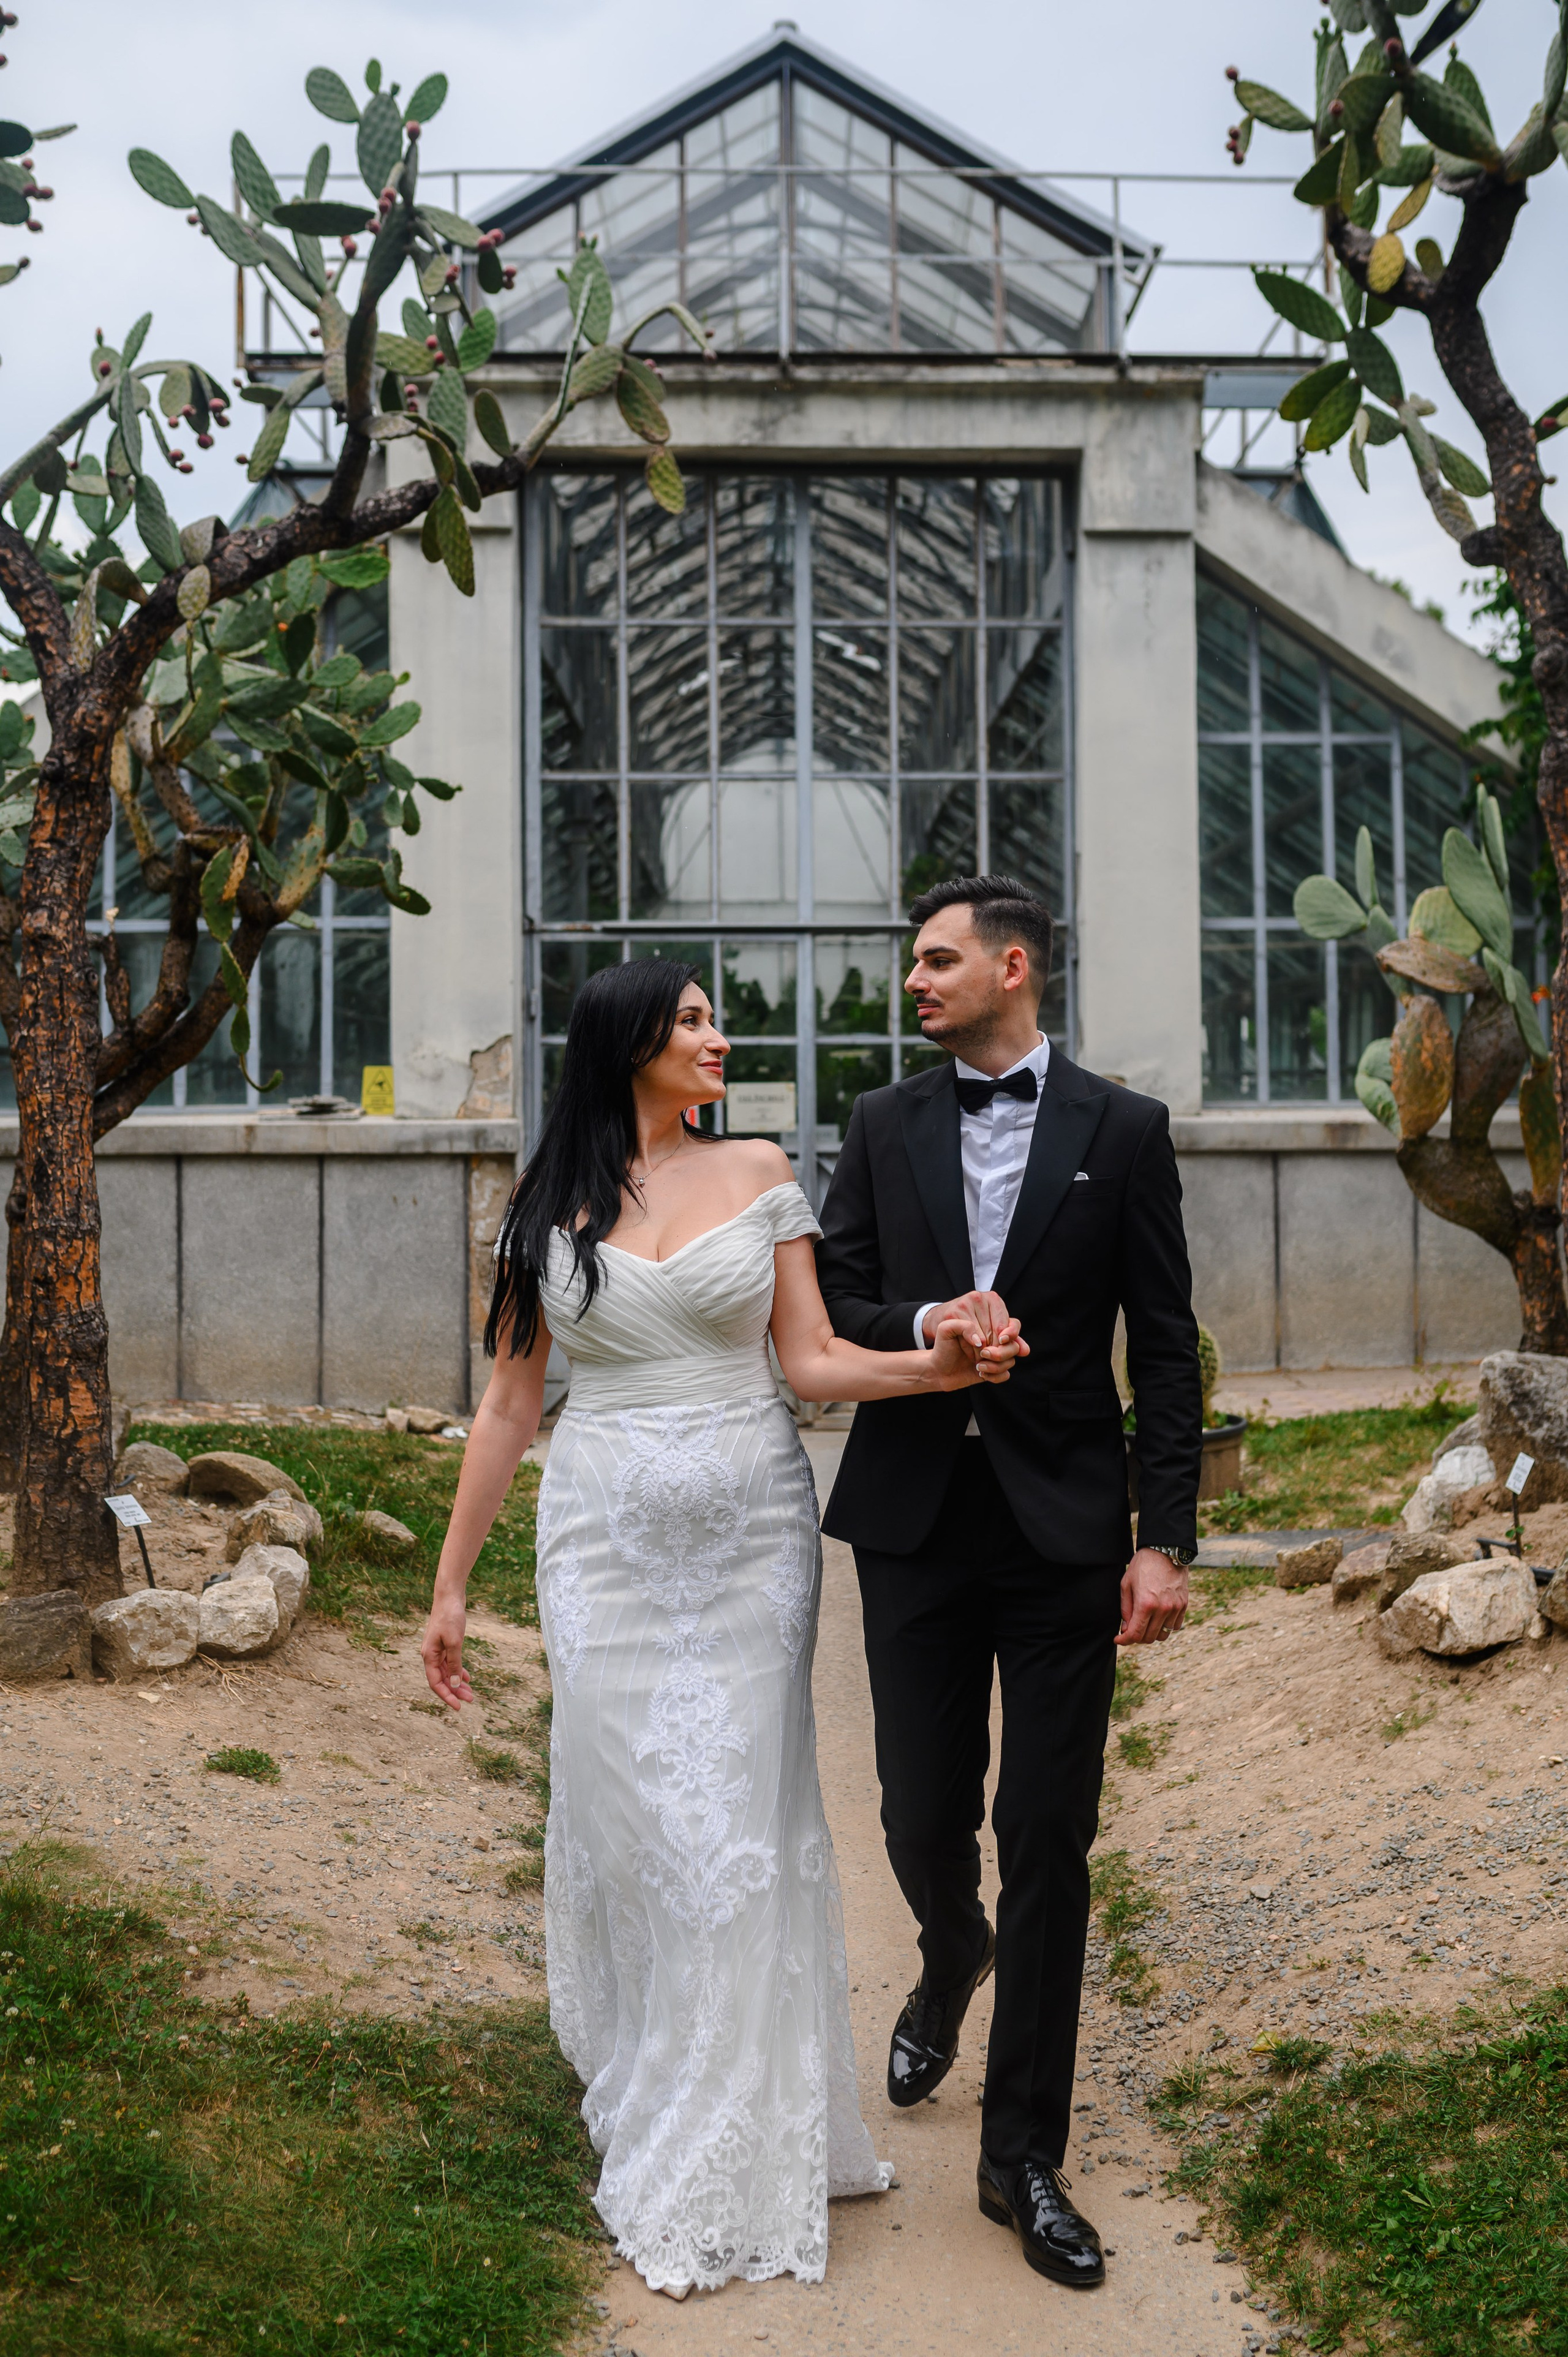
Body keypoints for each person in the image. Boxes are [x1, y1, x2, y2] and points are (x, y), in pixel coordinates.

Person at [420, 956, 1023, 2301]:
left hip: (749, 1540)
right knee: (639, 1823)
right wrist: (452, 1586)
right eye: (691, 1018)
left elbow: (807, 1361)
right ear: (624, 1039)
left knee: (741, 1829)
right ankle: (659, 2070)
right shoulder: (538, 1209)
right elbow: (511, 1406)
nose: (717, 1035)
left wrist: (931, 1366)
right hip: (602, 1550)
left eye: (710, 1016)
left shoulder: (758, 1171)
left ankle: (733, 2125)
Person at [815, 873, 1202, 2292]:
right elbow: (838, 1299)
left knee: (1047, 1830)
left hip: (1063, 1532)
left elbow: (1164, 1346)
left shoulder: (1126, 1130)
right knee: (919, 1810)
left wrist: (1161, 1535)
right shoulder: (881, 1122)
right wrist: (929, 1325)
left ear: (1011, 968)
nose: (912, 982)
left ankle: (1018, 2153)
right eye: (911, 964)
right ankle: (945, 1945)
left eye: (933, 961)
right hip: (914, 1519)